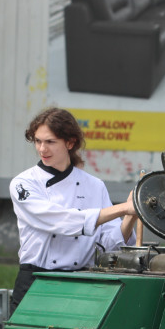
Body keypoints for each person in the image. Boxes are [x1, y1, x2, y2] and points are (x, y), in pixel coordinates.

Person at [9, 107, 137, 312]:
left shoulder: (95, 185)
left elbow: (109, 244)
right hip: (35, 280)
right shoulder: (23, 183)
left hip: (81, 281)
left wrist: (131, 216)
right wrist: (122, 208)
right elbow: (61, 221)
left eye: (50, 142)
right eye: (38, 141)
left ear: (70, 143)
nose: (42, 149)